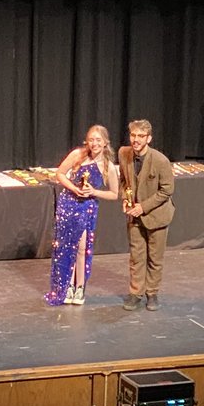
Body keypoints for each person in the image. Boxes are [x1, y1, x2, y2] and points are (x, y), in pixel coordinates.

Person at [45, 125, 119, 306]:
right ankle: (66, 285)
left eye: (98, 140)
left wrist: (93, 191)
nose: (94, 143)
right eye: (91, 139)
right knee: (65, 246)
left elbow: (114, 194)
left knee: (81, 247)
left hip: (87, 207)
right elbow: (60, 174)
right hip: (68, 204)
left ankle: (80, 286)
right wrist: (74, 189)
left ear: (105, 143)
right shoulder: (78, 155)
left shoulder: (108, 166)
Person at [117, 119, 174, 311]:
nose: (136, 140)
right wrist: (126, 199)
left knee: (155, 258)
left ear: (149, 138)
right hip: (134, 216)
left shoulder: (160, 161)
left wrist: (143, 207)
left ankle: (152, 293)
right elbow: (124, 181)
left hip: (157, 216)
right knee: (136, 256)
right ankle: (136, 293)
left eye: (141, 136)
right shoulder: (124, 154)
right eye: (133, 135)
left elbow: (167, 191)